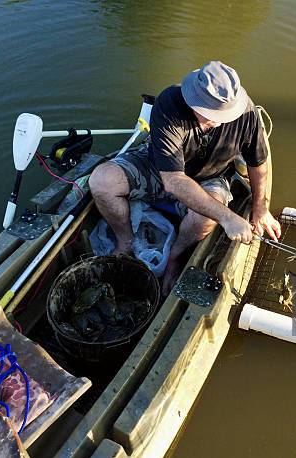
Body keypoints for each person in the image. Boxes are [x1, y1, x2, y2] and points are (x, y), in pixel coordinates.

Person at [89, 61, 281, 294]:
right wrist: (228, 218)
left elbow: (258, 162)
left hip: (211, 176)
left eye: (222, 113)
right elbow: (173, 180)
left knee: (204, 219)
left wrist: (261, 208)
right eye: (207, 111)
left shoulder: (248, 115)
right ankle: (126, 241)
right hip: (160, 169)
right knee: (102, 180)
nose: (214, 119)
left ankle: (174, 257)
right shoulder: (169, 102)